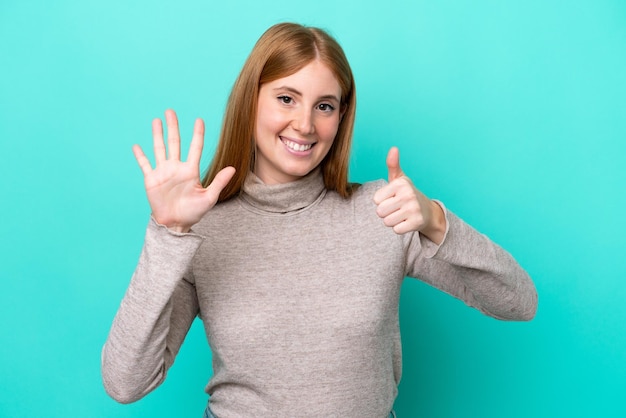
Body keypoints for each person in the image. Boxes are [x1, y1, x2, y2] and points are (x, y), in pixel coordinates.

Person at [101, 22, 537, 418]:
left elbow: (519, 301)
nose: (305, 124)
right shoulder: (204, 230)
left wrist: (437, 222)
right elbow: (125, 383)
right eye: (286, 98)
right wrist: (169, 234)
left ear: (341, 117)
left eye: (324, 106)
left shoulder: (382, 212)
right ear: (250, 100)